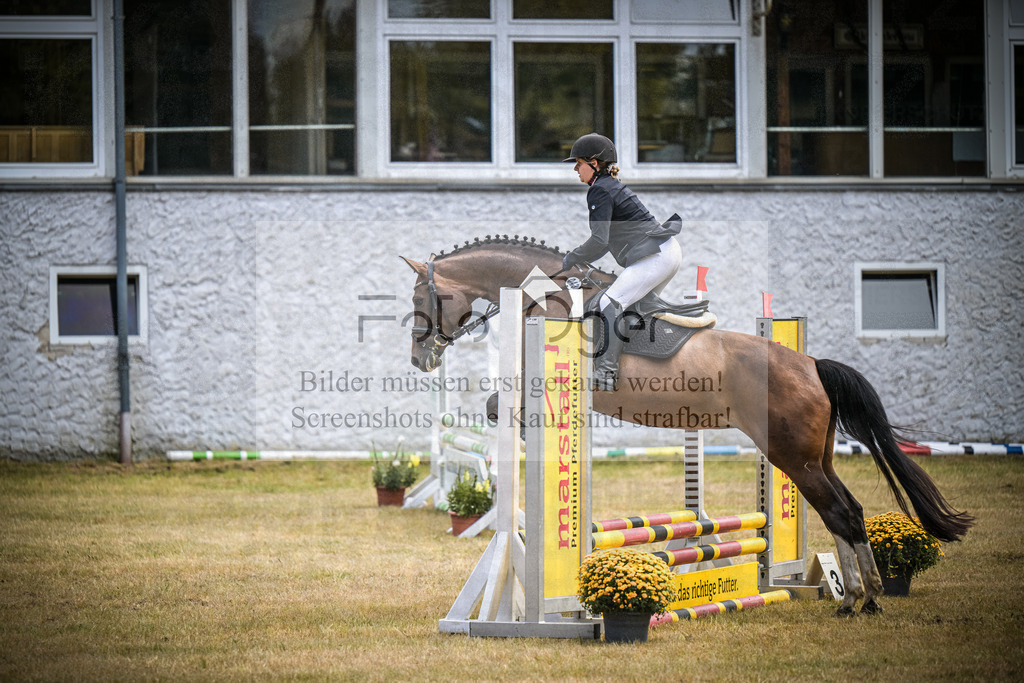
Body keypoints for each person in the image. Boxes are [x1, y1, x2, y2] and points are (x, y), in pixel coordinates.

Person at [561, 133, 683, 391]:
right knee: (635, 309)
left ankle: (607, 371)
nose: (575, 169)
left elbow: (599, 241)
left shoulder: (599, 190)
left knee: (610, 302)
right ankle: (640, 367)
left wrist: (574, 256)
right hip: (667, 251)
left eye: (579, 163)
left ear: (594, 163)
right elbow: (604, 243)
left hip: (656, 256)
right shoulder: (610, 186)